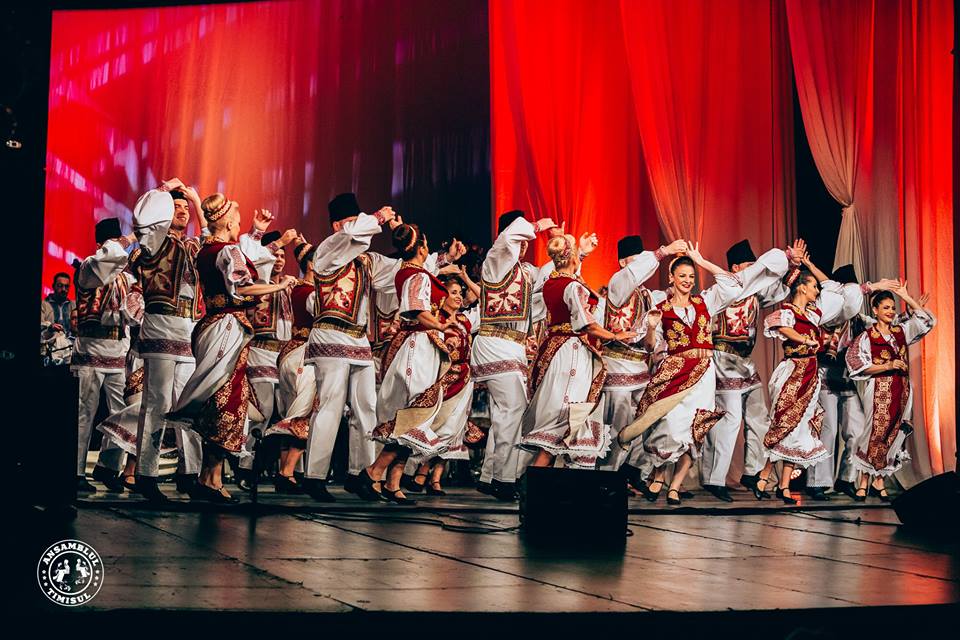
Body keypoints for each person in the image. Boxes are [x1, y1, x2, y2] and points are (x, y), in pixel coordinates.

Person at [167, 193, 297, 503]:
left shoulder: (208, 250)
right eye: (236, 220)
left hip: (215, 325)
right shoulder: (226, 250)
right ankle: (209, 478)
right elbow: (243, 286)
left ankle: (208, 477)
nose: (238, 224)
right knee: (227, 401)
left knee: (222, 400)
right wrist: (280, 285)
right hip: (227, 326)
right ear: (226, 221)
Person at [619, 243, 752, 506]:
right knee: (670, 428)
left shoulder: (705, 302)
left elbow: (734, 286)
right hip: (677, 372)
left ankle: (675, 486)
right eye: (682, 276)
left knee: (694, 431)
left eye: (691, 277)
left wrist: (700, 260)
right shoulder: (662, 307)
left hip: (703, 373)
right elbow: (649, 347)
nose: (687, 281)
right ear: (671, 278)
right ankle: (658, 475)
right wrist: (651, 328)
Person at [301, 193, 403, 502]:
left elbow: (403, 271)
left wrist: (410, 237)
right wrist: (380, 217)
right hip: (331, 335)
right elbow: (354, 234)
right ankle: (314, 476)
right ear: (337, 226)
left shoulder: (368, 261)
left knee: (367, 407)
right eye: (352, 222)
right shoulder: (328, 251)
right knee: (330, 405)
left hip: (359, 340)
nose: (362, 230)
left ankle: (360, 474)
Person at [755, 253, 871, 503]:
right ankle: (764, 476)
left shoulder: (813, 315)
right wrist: (803, 339)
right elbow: (780, 327)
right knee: (786, 424)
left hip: (809, 375)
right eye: (813, 286)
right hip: (792, 372)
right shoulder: (787, 311)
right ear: (802, 287)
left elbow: (833, 288)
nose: (817, 290)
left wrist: (811, 266)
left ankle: (781, 485)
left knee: (800, 429)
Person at [699, 239, 805, 502]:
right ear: (736, 268)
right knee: (730, 418)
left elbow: (780, 290)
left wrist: (793, 265)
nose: (756, 270)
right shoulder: (723, 290)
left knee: (759, 418)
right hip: (724, 358)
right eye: (750, 265)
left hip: (746, 362)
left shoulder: (757, 293)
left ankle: (752, 471)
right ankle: (714, 478)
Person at [518, 232, 635, 471]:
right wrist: (614, 335)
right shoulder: (572, 286)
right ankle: (535, 486)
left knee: (565, 418)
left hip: (555, 348)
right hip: (571, 350)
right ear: (571, 257)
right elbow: (586, 323)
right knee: (569, 416)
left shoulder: (551, 282)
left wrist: (580, 251)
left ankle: (547, 486)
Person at [362, 224, 458, 503]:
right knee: (412, 415)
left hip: (422, 347)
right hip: (417, 346)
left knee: (415, 419)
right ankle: (372, 473)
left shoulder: (413, 270)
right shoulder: (416, 275)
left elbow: (428, 275)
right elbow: (416, 309)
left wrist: (446, 257)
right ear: (422, 248)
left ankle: (391, 483)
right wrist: (440, 323)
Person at [129, 179, 208, 502]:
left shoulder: (190, 247)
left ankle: (190, 473)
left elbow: (210, 240)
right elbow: (145, 220)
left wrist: (197, 202)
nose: (182, 213)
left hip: (187, 327)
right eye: (177, 208)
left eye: (185, 209)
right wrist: (164, 191)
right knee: (157, 402)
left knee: (188, 403)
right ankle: (146, 474)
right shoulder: (155, 242)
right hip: (161, 323)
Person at [471, 210, 557, 501]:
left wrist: (574, 252)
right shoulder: (495, 263)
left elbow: (548, 278)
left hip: (512, 347)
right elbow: (508, 237)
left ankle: (489, 476)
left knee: (503, 415)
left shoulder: (524, 272)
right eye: (519, 239)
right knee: (514, 411)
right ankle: (504, 479)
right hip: (496, 343)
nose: (522, 245)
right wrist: (536, 225)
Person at [597, 235, 686, 491]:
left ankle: (630, 471)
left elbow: (650, 341)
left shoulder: (647, 294)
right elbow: (636, 272)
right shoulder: (618, 284)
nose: (643, 267)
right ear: (624, 262)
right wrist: (663, 251)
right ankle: (607, 478)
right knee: (618, 428)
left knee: (642, 424)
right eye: (637, 261)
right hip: (618, 366)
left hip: (640, 369)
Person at [846, 283, 935, 501]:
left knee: (894, 432)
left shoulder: (900, 331)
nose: (890, 312)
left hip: (902, 387)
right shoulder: (867, 336)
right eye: (885, 308)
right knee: (874, 433)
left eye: (892, 308)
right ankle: (864, 481)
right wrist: (888, 365)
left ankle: (879, 481)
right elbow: (855, 363)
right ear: (875, 310)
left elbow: (926, 321)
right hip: (879, 387)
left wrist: (907, 296)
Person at [72, 218, 141, 493]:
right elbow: (110, 256)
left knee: (121, 413)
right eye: (113, 241)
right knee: (83, 414)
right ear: (102, 244)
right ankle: (75, 471)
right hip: (90, 350)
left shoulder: (127, 277)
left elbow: (135, 315)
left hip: (117, 352)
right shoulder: (89, 267)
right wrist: (126, 240)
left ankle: (108, 466)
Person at [400, 269, 481, 495]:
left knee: (453, 430)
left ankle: (429, 477)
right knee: (434, 427)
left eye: (459, 293)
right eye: (453, 292)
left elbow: (486, 300)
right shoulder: (436, 322)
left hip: (464, 380)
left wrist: (466, 278)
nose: (458, 296)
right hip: (443, 380)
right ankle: (412, 472)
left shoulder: (465, 320)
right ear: (442, 296)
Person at [235, 224, 298, 485]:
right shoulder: (259, 281)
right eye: (277, 254)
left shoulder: (287, 286)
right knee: (262, 410)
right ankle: (244, 465)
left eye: (284, 255)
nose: (280, 259)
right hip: (261, 351)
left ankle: (264, 466)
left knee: (281, 414)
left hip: (281, 354)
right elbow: (255, 255)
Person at [264, 240, 319, 493]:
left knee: (290, 413)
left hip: (289, 354)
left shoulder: (296, 288)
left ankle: (284, 472)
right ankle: (286, 473)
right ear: (311, 265)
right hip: (302, 354)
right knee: (303, 413)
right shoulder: (309, 292)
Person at [41, 272, 75, 365]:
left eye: (66, 286)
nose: (63, 289)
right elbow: (40, 326)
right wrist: (50, 327)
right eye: (60, 286)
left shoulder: (74, 305)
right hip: (50, 352)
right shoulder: (44, 305)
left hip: (70, 353)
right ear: (53, 286)